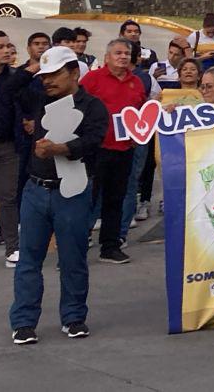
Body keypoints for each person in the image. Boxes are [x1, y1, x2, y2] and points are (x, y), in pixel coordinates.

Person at [9, 46, 110, 344]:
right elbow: (9, 89)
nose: (48, 81)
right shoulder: (37, 99)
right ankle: (24, 322)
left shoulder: (92, 106)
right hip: (36, 189)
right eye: (44, 76)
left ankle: (74, 318)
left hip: (74, 193)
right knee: (29, 259)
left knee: (73, 259)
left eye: (54, 74)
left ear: (74, 73)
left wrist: (62, 149)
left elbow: (94, 139)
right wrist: (30, 67)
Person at [79, 39, 146, 265]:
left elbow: (141, 113)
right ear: (107, 57)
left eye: (127, 53)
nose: (123, 57)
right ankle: (76, 245)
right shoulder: (92, 79)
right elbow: (77, 106)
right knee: (87, 199)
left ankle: (110, 247)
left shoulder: (136, 82)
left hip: (123, 149)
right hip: (95, 149)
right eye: (118, 53)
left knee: (115, 200)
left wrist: (139, 135)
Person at [0, 31, 29, 266]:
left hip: (7, 148)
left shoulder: (16, 77)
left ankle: (12, 249)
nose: (6, 51)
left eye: (8, 46)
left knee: (9, 199)